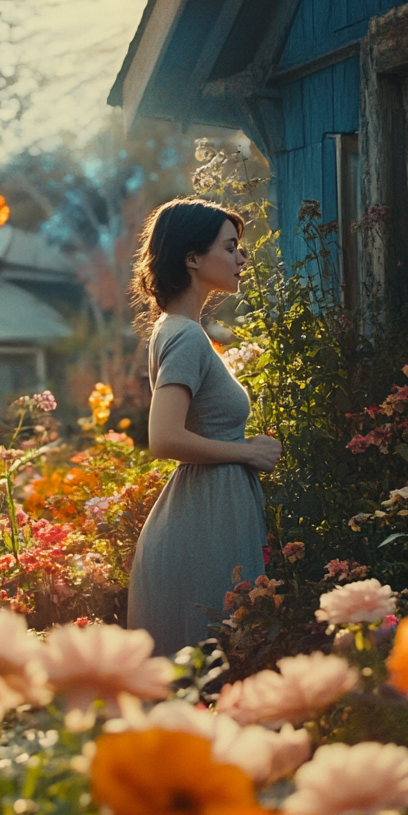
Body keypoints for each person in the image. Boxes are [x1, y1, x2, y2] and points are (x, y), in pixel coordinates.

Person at [126, 197, 282, 656]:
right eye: (230, 247)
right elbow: (164, 437)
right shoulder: (185, 334)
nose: (241, 258)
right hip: (202, 523)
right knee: (213, 671)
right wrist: (248, 452)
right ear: (193, 258)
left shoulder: (177, 329)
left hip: (210, 513)